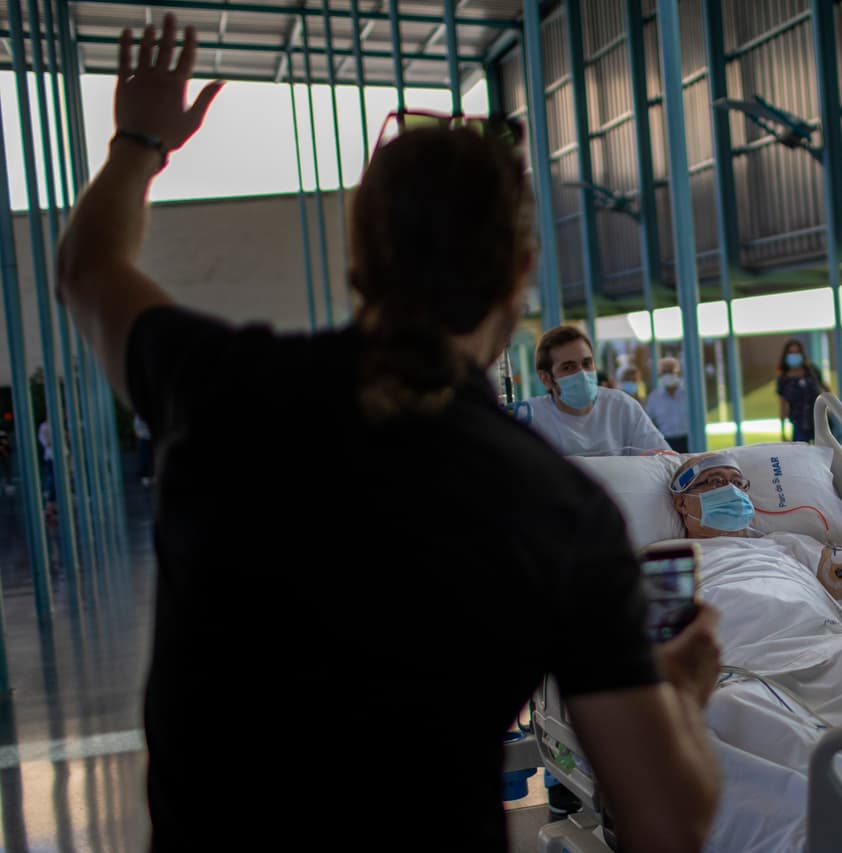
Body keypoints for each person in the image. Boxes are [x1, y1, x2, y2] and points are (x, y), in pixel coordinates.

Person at [54, 16, 720, 851]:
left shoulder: (219, 385)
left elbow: (86, 268)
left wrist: (140, 140)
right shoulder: (559, 514)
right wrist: (682, 698)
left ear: (359, 254)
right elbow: (667, 820)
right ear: (519, 277)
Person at [669, 453, 842, 602]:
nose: (730, 490)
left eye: (738, 483)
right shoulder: (664, 558)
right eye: (715, 481)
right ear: (681, 502)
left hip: (817, 638)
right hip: (740, 658)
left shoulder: (785, 545)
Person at [527, 326, 670, 456]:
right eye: (568, 367)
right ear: (545, 378)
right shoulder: (532, 417)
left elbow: (664, 460)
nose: (582, 374)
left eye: (587, 364)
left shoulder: (621, 407)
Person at [775, 338, 829, 443]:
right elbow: (783, 405)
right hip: (799, 424)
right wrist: (783, 431)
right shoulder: (784, 379)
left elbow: (825, 390)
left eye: (797, 352)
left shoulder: (812, 372)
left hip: (820, 422)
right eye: (791, 353)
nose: (794, 356)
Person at [646, 356, 690, 453]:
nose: (668, 375)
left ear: (678, 373)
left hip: (688, 441)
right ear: (660, 374)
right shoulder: (654, 397)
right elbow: (650, 421)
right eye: (665, 372)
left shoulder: (688, 394)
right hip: (666, 442)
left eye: (671, 371)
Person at [133, 413, 153, 485]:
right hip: (144, 438)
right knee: (144, 458)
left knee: (150, 457)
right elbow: (136, 429)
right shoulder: (138, 417)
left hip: (148, 438)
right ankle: (145, 476)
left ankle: (150, 475)